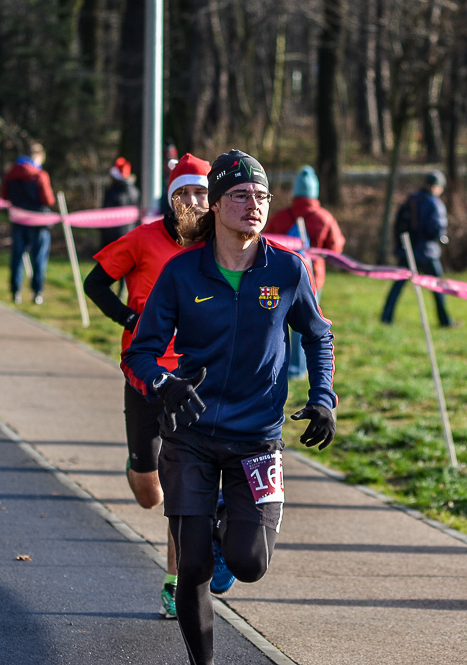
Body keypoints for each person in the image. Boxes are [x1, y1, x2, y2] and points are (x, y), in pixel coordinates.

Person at [122, 149, 337, 665]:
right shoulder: (181, 273)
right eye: (241, 196)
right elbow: (142, 351)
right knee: (192, 565)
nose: (254, 205)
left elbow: (318, 334)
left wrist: (323, 397)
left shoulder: (287, 269)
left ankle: (224, 521)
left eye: (262, 196)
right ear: (215, 205)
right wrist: (164, 384)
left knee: (249, 563)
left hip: (257, 440)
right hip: (190, 435)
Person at [84, 153, 212, 620]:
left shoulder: (219, 246)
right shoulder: (142, 240)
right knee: (149, 492)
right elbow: (95, 284)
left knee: (182, 487)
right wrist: (129, 318)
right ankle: (138, 467)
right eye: (188, 193)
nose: (196, 202)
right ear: (172, 197)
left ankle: (176, 581)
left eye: (204, 193)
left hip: (196, 377)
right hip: (145, 375)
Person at [265, 165, 346, 379]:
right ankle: (300, 369)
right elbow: (336, 247)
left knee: (275, 323)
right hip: (312, 279)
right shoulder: (324, 218)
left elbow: (264, 244)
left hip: (278, 279)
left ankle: (278, 366)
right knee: (307, 325)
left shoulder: (281, 216)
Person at [381, 169, 455, 327]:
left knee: (398, 285)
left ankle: (386, 317)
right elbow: (436, 229)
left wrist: (400, 246)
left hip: (408, 250)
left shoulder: (411, 200)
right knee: (438, 287)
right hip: (427, 252)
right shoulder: (434, 203)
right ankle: (445, 321)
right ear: (436, 187)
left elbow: (398, 225)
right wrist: (441, 238)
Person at [2, 143, 55, 305]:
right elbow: (49, 200)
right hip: (38, 224)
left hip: (18, 221)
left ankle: (15, 291)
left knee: (17, 257)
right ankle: (37, 292)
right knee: (38, 258)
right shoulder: (40, 175)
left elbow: (4, 195)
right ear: (38, 157)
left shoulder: (11, 174)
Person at [100, 156, 141, 248]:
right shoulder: (136, 191)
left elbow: (105, 215)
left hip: (112, 238)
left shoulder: (112, 192)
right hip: (131, 235)